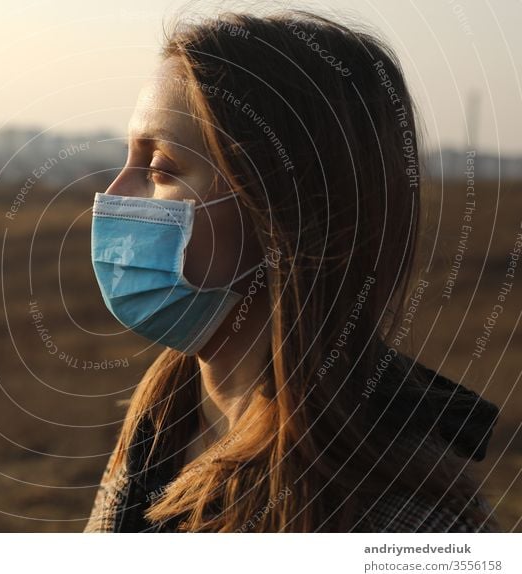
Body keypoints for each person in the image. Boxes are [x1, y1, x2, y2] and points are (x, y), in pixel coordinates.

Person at [84, 8, 499, 532]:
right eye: (127, 161)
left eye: (161, 168)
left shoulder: (412, 525)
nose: (115, 194)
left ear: (281, 207)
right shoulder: (162, 417)